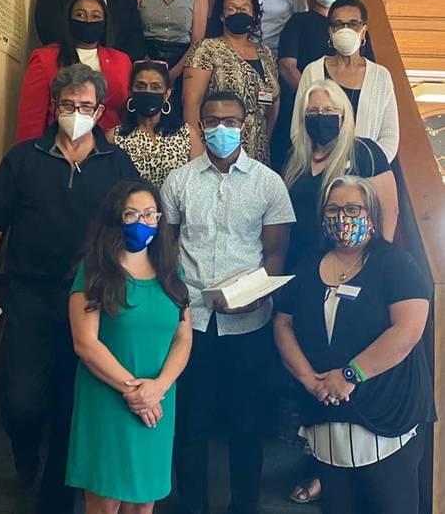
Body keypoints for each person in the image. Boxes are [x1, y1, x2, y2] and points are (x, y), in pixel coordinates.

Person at [0, 64, 138, 514]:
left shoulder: (116, 164)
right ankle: (24, 457)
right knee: (23, 403)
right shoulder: (24, 158)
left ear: (100, 111)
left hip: (94, 300)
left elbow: (137, 225)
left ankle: (54, 501)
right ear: (54, 106)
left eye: (85, 106)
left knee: (71, 403)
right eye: (67, 105)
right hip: (30, 296)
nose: (76, 113)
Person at [161, 91, 296, 514]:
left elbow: (275, 254)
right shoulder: (178, 181)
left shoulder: (268, 182)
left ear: (246, 125)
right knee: (190, 425)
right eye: (213, 121)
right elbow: (166, 245)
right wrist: (175, 292)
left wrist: (255, 298)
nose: (222, 129)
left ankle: (245, 507)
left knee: (246, 426)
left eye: (231, 121)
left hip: (249, 323)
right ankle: (193, 506)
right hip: (191, 321)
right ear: (200, 126)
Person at [274, 175, 436, 514]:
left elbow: (408, 330)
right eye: (332, 210)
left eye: (352, 209)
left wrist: (349, 375)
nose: (341, 218)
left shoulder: (395, 264)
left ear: (372, 215)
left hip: (385, 414)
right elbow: (283, 323)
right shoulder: (308, 264)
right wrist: (308, 379)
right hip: (325, 410)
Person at [66, 178, 192, 514]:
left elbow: (183, 336)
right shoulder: (95, 269)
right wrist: (135, 392)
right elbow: (85, 343)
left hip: (158, 401)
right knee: (105, 502)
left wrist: (158, 388)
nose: (142, 223)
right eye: (132, 215)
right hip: (108, 398)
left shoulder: (171, 270)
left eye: (150, 215)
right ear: (116, 218)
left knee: (143, 502)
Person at [285, 78, 398, 271]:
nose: (320, 116)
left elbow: (388, 210)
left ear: (344, 115)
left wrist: (379, 260)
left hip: (349, 260)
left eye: (329, 111)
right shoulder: (295, 158)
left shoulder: (365, 152)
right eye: (312, 112)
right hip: (300, 260)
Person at [272, 0, 374, 173]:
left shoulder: (359, 33)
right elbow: (286, 66)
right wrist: (317, 97)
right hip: (309, 112)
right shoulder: (299, 21)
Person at [291, 0, 399, 162]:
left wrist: (367, 166)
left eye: (353, 24)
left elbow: (389, 137)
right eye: (339, 24)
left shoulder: (380, 76)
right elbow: (298, 129)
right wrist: (320, 163)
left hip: (365, 176)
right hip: (318, 168)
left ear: (363, 30)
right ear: (330, 31)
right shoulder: (312, 71)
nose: (345, 29)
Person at [183, 0, 279, 165]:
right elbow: (191, 101)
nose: (238, 13)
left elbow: (273, 101)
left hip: (257, 151)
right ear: (221, 15)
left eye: (244, 9)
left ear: (254, 15)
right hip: (216, 148)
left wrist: (264, 137)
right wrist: (196, 146)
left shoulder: (265, 53)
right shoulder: (207, 49)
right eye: (231, 9)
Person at [17, 0, 131, 142]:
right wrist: (29, 158)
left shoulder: (122, 61)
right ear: (69, 20)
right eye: (80, 14)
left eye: (95, 16)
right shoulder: (45, 58)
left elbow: (126, 111)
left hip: (108, 150)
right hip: (58, 147)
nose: (88, 20)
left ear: (105, 23)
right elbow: (31, 117)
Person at [130, 0, 209, 116]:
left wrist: (173, 73)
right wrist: (147, 66)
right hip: (145, 58)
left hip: (182, 61)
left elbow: (197, 42)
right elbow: (131, 32)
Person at [107, 59, 203, 188]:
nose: (148, 91)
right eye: (140, 86)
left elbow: (200, 181)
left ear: (167, 93)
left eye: (155, 87)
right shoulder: (114, 137)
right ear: (131, 91)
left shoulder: (187, 135)